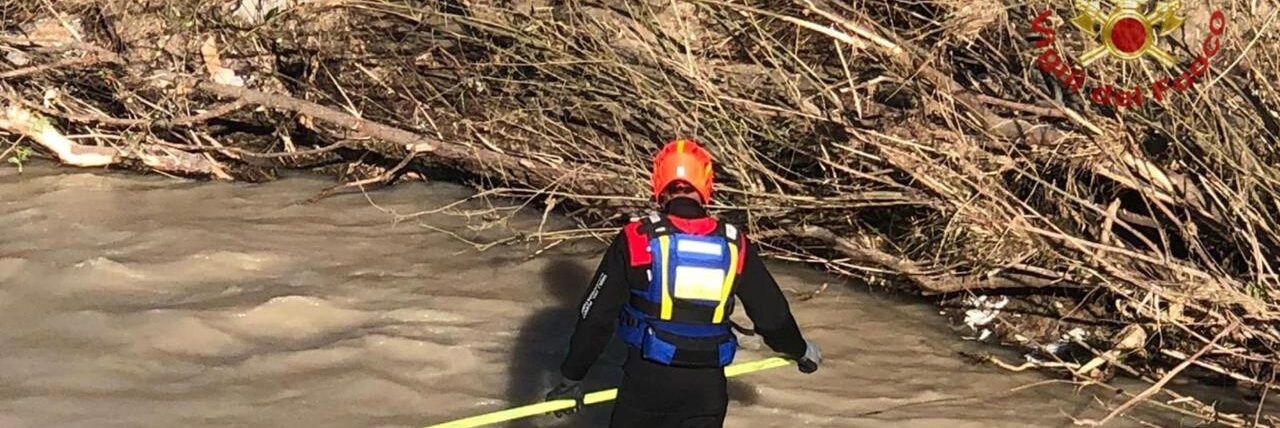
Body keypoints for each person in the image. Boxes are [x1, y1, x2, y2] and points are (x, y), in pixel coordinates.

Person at [545, 139, 822, 428]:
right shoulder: (734, 244)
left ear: (659, 185)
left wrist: (571, 378)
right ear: (706, 184)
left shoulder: (636, 238)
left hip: (646, 385)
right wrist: (799, 350)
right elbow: (773, 316)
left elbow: (596, 318)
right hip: (706, 391)